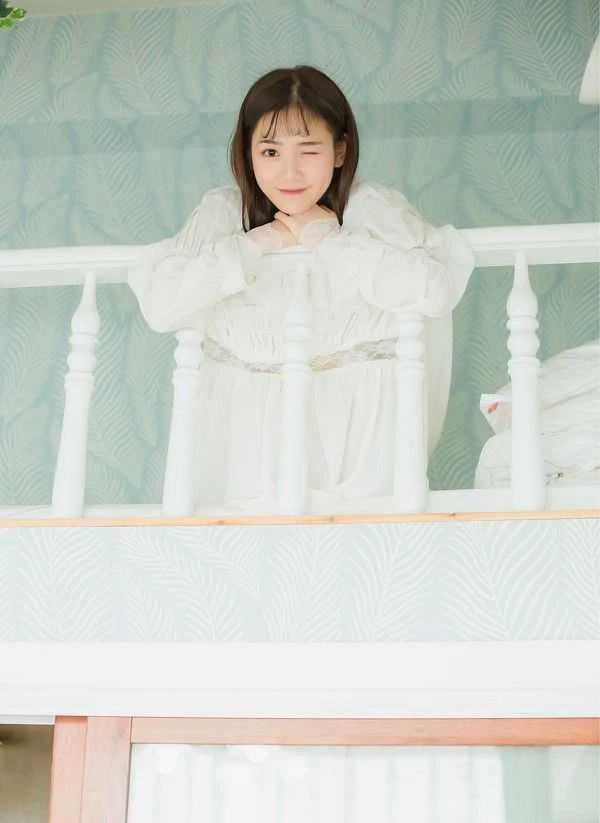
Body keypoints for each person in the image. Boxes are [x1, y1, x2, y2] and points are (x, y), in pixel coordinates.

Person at [129, 66, 475, 513]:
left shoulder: (370, 208)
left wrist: (327, 238)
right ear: (248, 152)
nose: (289, 171)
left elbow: (433, 290)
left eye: (308, 150)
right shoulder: (225, 213)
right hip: (244, 434)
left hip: (357, 434)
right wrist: (258, 242)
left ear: (339, 150)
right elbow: (162, 305)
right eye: (270, 151)